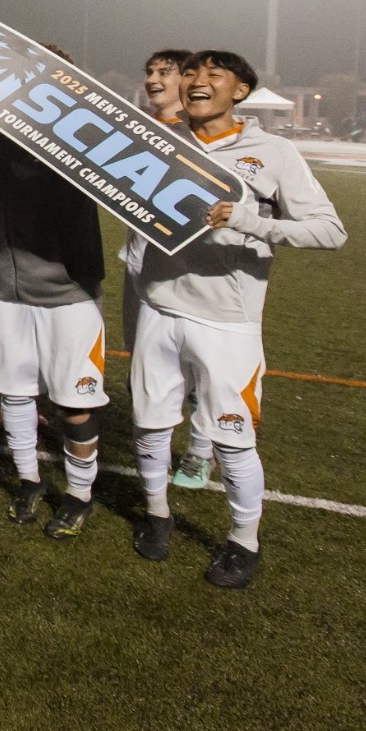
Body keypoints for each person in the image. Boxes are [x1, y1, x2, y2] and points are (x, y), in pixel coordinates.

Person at [129, 50, 345, 588]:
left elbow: (329, 230)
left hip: (227, 320)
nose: (197, 81)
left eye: (213, 74)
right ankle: (157, 514)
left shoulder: (273, 152)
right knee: (151, 424)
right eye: (190, 73)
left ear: (240, 91)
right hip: (158, 305)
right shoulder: (160, 141)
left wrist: (251, 222)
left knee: (232, 437)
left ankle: (244, 541)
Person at [0, 77, 110, 538]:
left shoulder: (81, 137)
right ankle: (29, 480)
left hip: (70, 293)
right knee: (15, 394)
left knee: (75, 402)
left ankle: (80, 494)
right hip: (11, 290)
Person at [123, 48, 218, 489]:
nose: (153, 79)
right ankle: (155, 450)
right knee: (145, 366)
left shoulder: (199, 132)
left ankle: (200, 450)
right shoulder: (135, 127)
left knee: (199, 366)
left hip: (190, 270)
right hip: (139, 264)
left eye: (165, 71)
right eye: (149, 70)